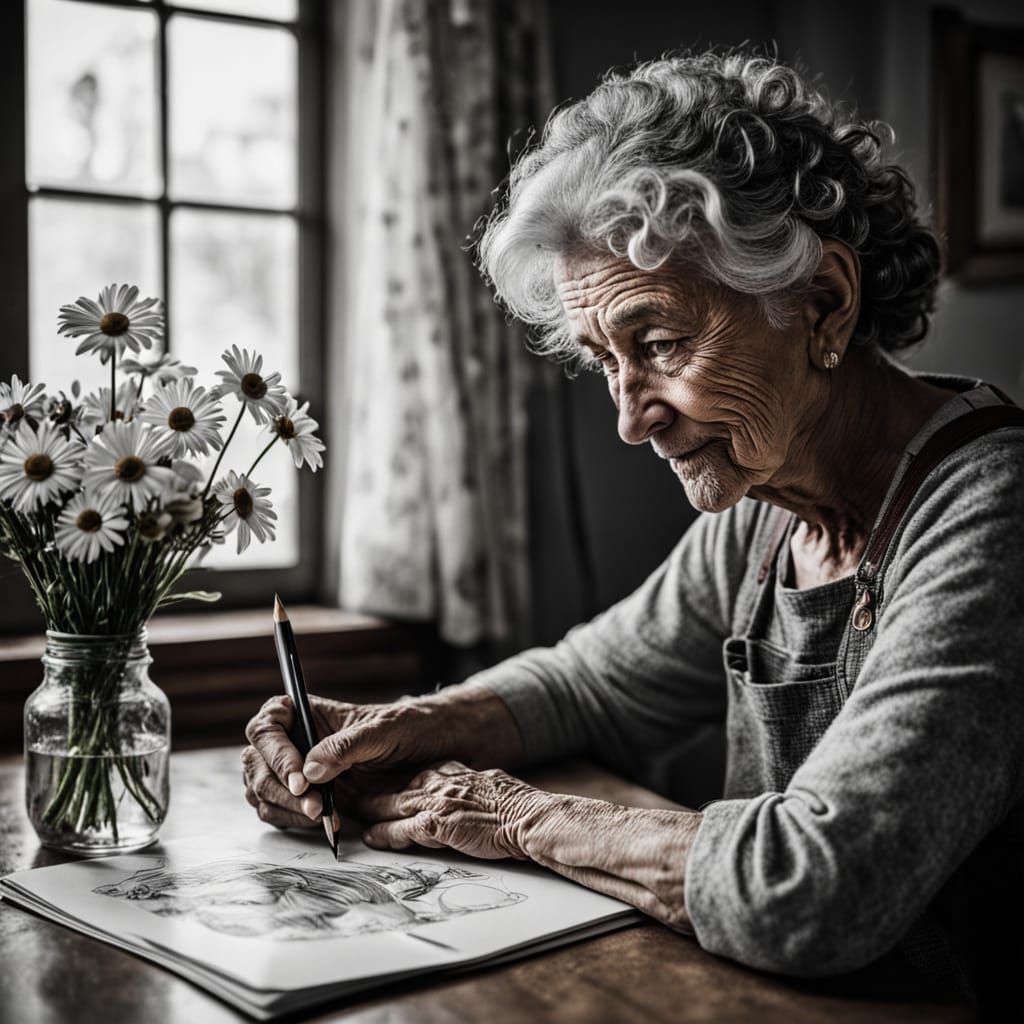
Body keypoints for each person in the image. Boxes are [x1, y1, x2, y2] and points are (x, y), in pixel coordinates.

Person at [243, 51, 1024, 1009]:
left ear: (823, 302)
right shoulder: (768, 510)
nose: (631, 417)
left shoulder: (994, 512)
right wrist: (394, 729)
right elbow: (592, 684)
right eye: (604, 359)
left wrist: (514, 816)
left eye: (658, 345)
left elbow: (817, 886)